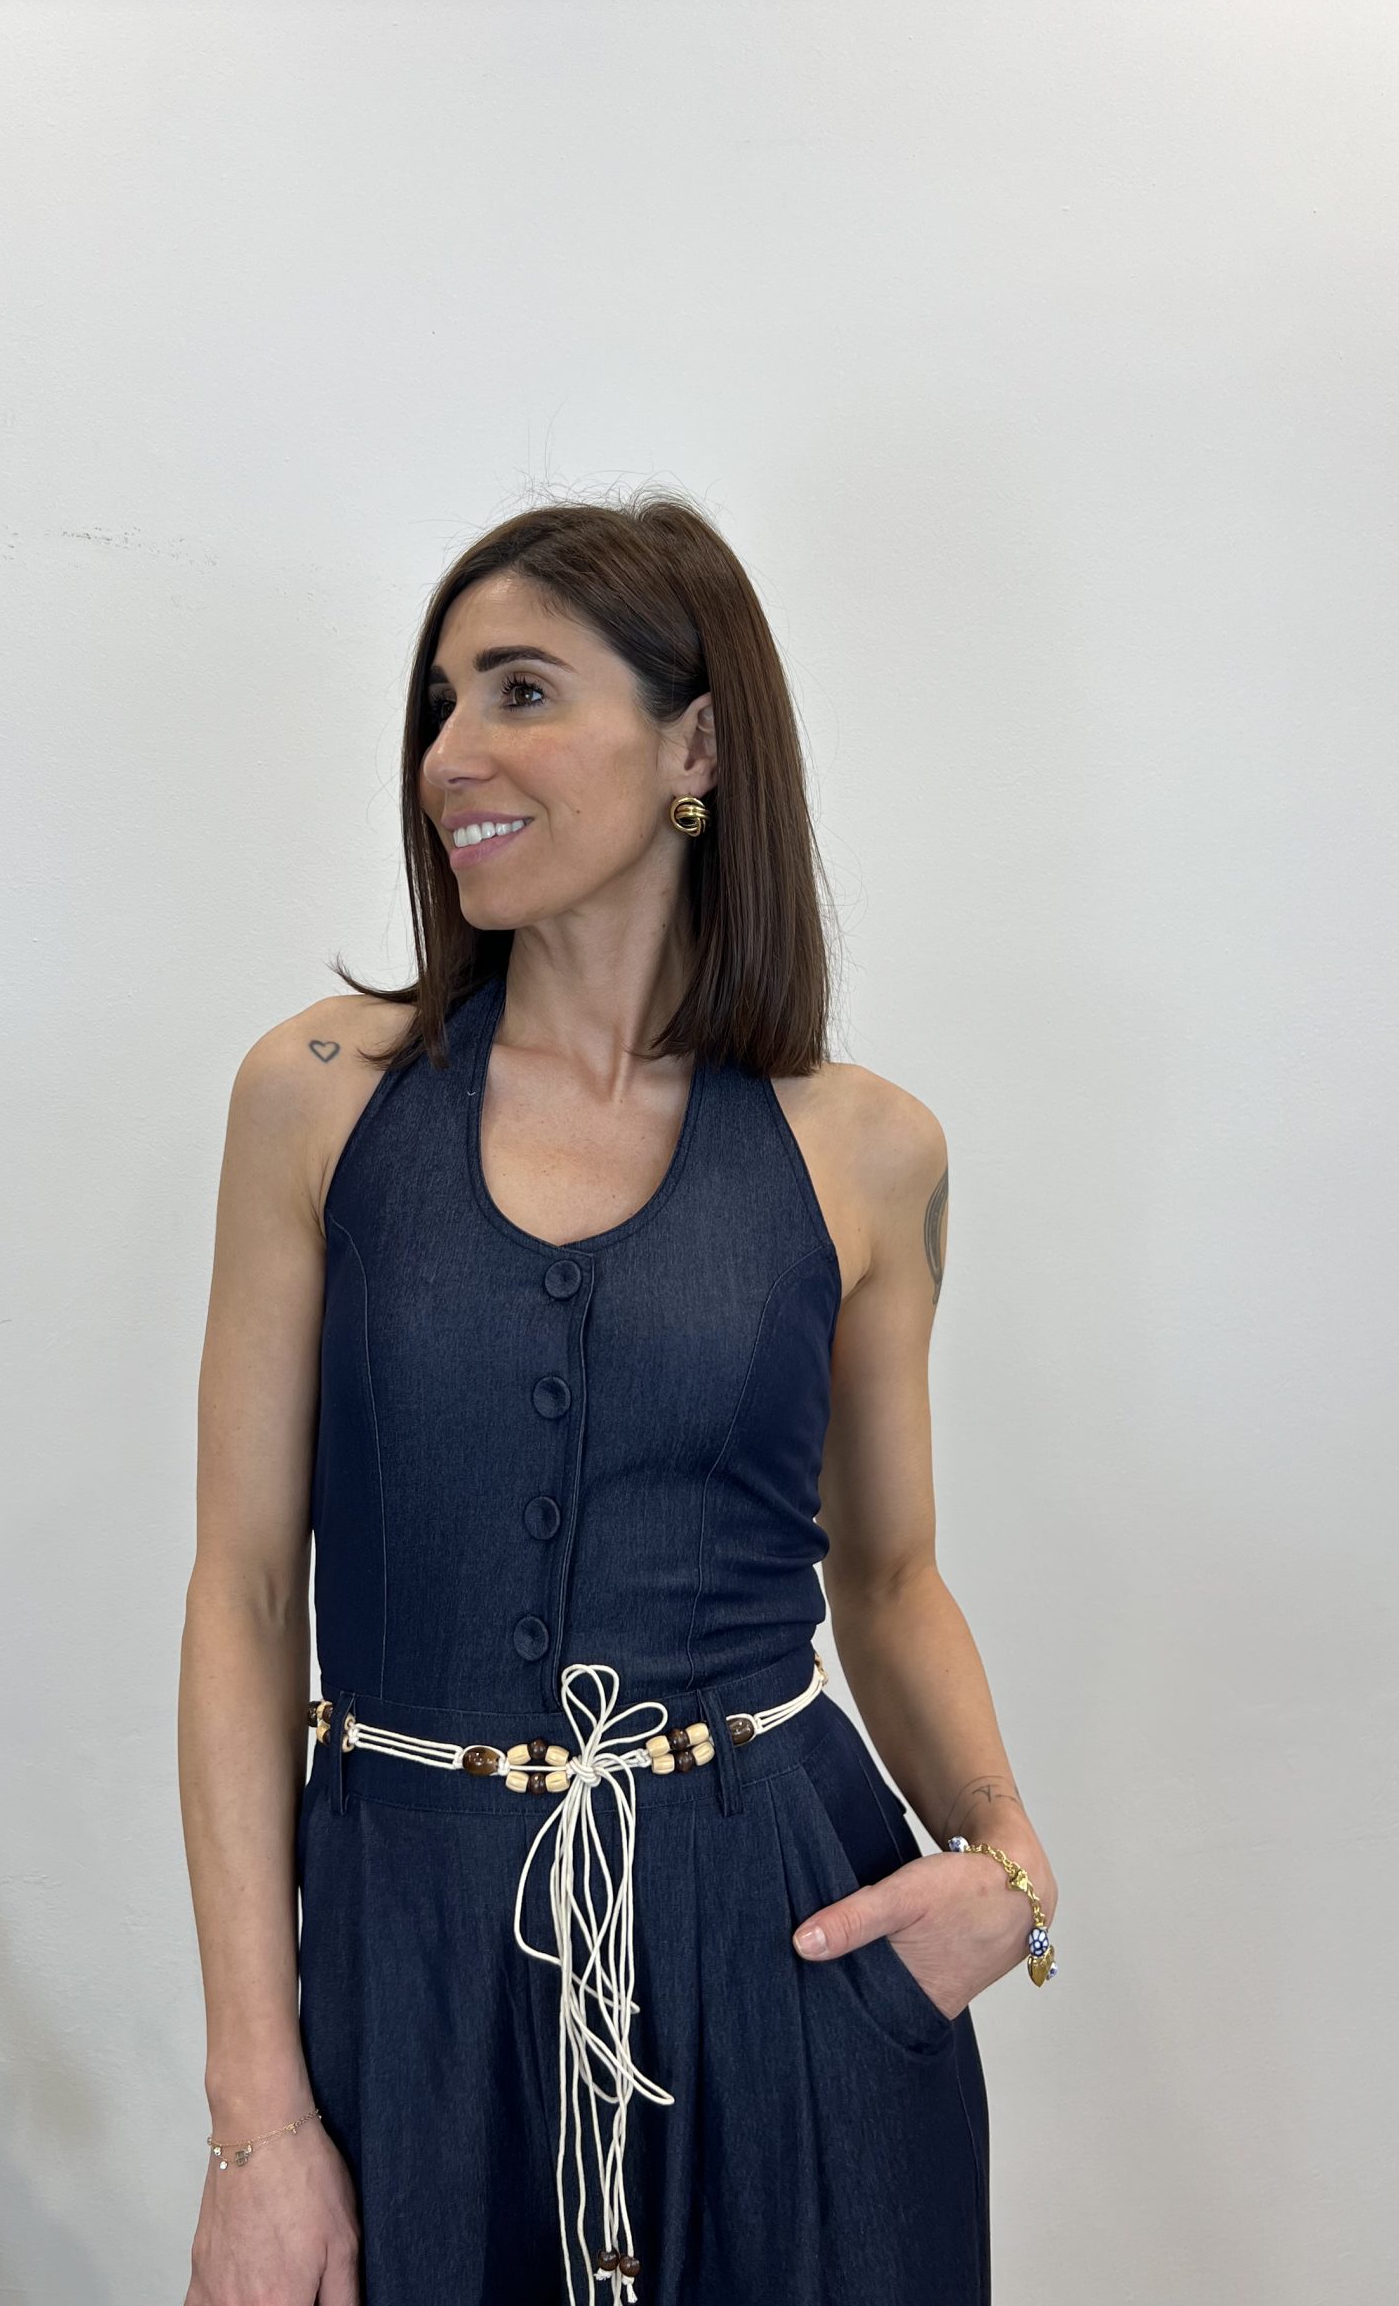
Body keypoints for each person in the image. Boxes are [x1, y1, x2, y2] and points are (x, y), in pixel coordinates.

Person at [179, 492, 1059, 2306]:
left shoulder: (868, 1151)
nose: (450, 755)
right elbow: (247, 1592)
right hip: (411, 1960)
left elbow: (890, 1580)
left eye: (520, 692)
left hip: (783, 1949)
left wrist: (1011, 1860)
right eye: (439, 703)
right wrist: (257, 2116)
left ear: (697, 747)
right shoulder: (317, 1099)